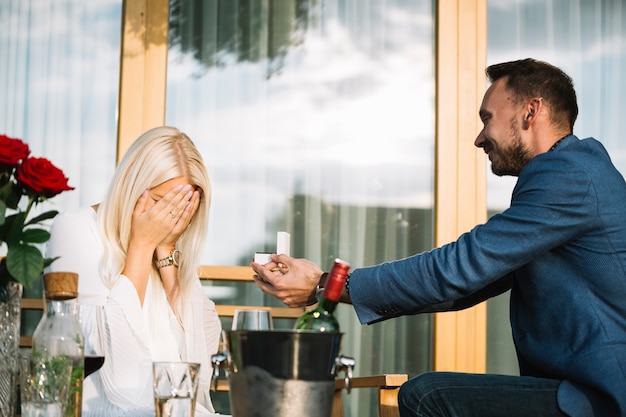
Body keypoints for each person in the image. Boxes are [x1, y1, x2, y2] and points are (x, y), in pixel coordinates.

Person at [250, 58, 626, 417]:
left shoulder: (568, 174)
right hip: (583, 393)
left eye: (487, 118)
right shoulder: (570, 177)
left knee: (429, 397)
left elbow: (456, 269)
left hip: (602, 398)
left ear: (531, 111)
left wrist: (323, 284)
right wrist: (327, 288)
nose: (480, 139)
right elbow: (460, 286)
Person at [46, 126, 224, 416]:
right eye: (161, 203)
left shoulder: (170, 249)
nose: (171, 217)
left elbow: (200, 358)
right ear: (132, 185)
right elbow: (121, 379)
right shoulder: (75, 229)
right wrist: (141, 246)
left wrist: (165, 250)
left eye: (184, 208)